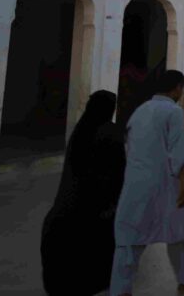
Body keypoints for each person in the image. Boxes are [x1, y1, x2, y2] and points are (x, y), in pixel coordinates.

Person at [110, 70, 184, 296]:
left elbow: (129, 146)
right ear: (176, 89)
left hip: (135, 186)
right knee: (180, 233)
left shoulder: (140, 111)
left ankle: (120, 291)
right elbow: (177, 151)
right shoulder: (173, 111)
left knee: (129, 242)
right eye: (181, 89)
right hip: (164, 185)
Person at [41, 90, 126, 296]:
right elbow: (118, 171)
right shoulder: (110, 132)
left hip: (69, 205)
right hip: (96, 208)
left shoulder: (81, 129)